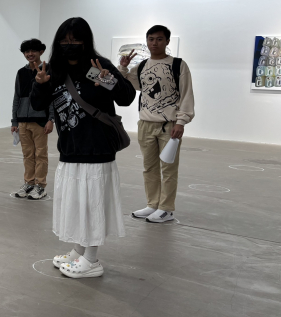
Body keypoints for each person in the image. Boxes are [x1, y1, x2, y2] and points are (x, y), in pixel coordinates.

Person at [31, 17, 136, 279]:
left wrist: (109, 80)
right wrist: (39, 84)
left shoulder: (98, 66)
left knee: (92, 204)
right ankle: (79, 250)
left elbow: (126, 97)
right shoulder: (53, 69)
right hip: (70, 148)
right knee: (77, 203)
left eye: (76, 40)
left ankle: (92, 260)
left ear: (86, 41)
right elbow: (37, 105)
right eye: (65, 41)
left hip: (97, 149)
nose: (70, 45)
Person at [118, 25, 195, 223]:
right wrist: (123, 67)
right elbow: (129, 84)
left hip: (169, 125)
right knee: (149, 167)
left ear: (167, 41)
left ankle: (166, 209)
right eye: (151, 39)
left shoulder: (178, 65)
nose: (155, 43)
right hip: (145, 124)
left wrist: (181, 122)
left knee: (168, 169)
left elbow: (186, 94)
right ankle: (152, 204)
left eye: (159, 39)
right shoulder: (142, 66)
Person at [11, 38, 55, 200]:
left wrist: (51, 119)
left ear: (41, 52)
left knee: (41, 154)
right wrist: (14, 121)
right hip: (23, 121)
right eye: (26, 51)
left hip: (40, 120)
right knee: (27, 155)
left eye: (33, 51)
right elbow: (17, 97)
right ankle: (29, 183)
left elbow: (52, 97)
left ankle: (40, 186)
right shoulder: (21, 73)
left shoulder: (48, 70)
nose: (29, 54)